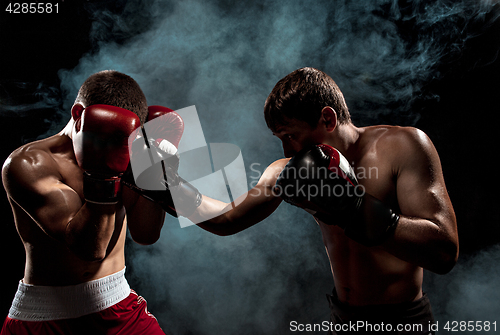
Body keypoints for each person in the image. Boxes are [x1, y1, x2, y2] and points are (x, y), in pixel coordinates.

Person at [183, 67, 458, 334]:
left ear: (328, 119)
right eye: (280, 138)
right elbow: (226, 219)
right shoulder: (289, 169)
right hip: (342, 321)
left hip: (402, 323)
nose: (287, 150)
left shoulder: (402, 146)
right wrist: (167, 185)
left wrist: (352, 207)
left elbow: (444, 251)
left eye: (291, 135)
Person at [0, 70, 177, 335]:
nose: (115, 143)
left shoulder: (131, 147)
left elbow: (146, 233)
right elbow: (89, 248)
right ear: (77, 115)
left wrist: (153, 173)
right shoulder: (28, 164)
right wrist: (103, 174)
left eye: (122, 137)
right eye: (106, 133)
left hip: (119, 305)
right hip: (46, 318)